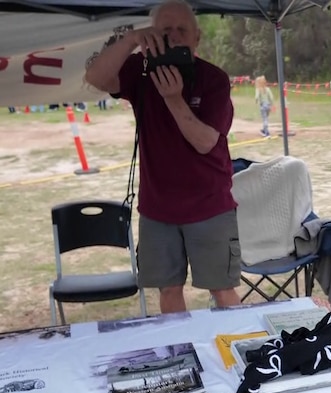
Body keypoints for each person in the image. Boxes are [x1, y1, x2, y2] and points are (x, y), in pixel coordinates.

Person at [84, 0, 241, 314]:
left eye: (182, 30)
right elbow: (96, 78)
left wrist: (173, 98)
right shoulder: (140, 72)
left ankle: (241, 353)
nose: (174, 36)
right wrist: (129, 40)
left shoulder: (214, 80)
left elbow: (205, 142)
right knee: (168, 290)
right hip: (158, 209)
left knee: (222, 290)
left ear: (196, 38)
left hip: (208, 205)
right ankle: (181, 352)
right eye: (164, 30)